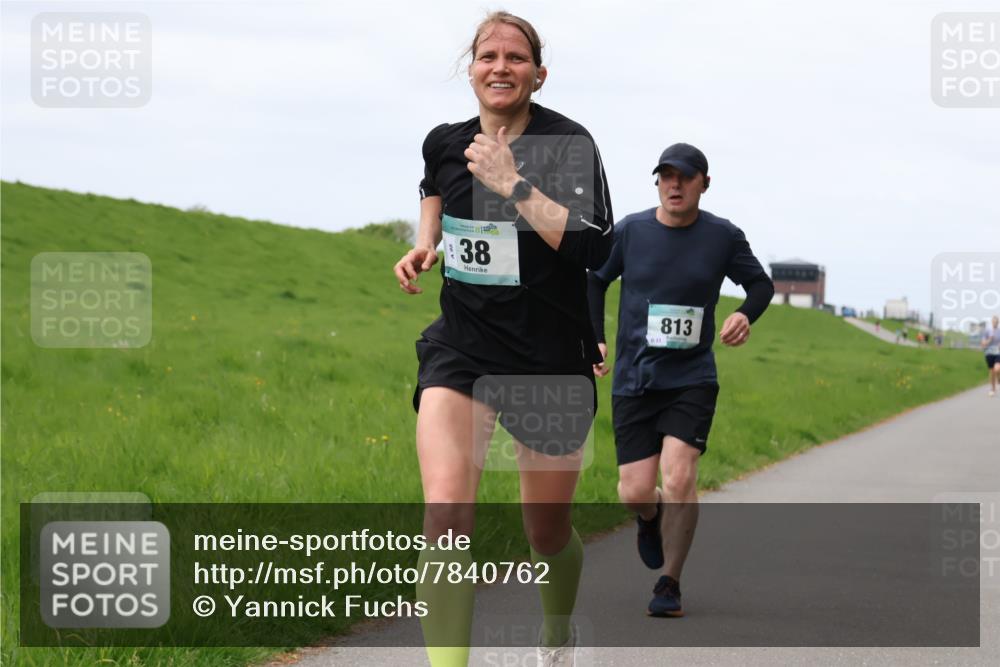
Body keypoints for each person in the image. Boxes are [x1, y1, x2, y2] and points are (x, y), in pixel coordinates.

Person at [393, 11, 613, 666]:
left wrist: (511, 183)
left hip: (549, 357)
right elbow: (433, 184)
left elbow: (592, 245)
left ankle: (555, 632)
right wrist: (425, 240)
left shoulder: (570, 144)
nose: (500, 67)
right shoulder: (445, 139)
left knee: (544, 532)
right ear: (472, 69)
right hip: (461, 347)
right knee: (445, 516)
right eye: (488, 55)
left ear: (537, 74)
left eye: (515, 58)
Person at [587, 143, 773, 617]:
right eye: (666, 176)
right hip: (634, 377)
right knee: (633, 490)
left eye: (685, 177)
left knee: (680, 475)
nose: (674, 184)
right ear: (657, 182)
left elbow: (761, 284)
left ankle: (669, 583)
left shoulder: (723, 237)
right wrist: (596, 340)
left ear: (703, 184)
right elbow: (594, 280)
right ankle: (648, 519)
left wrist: (745, 315)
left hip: (691, 376)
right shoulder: (630, 231)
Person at [982, 316, 1000, 397]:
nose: (995, 323)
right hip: (989, 353)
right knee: (992, 371)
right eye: (994, 322)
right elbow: (983, 344)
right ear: (992, 322)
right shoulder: (987, 331)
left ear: (998, 323)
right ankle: (992, 389)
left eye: (996, 322)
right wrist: (989, 339)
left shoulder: (999, 331)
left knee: (997, 368)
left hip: (998, 352)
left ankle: (998, 379)